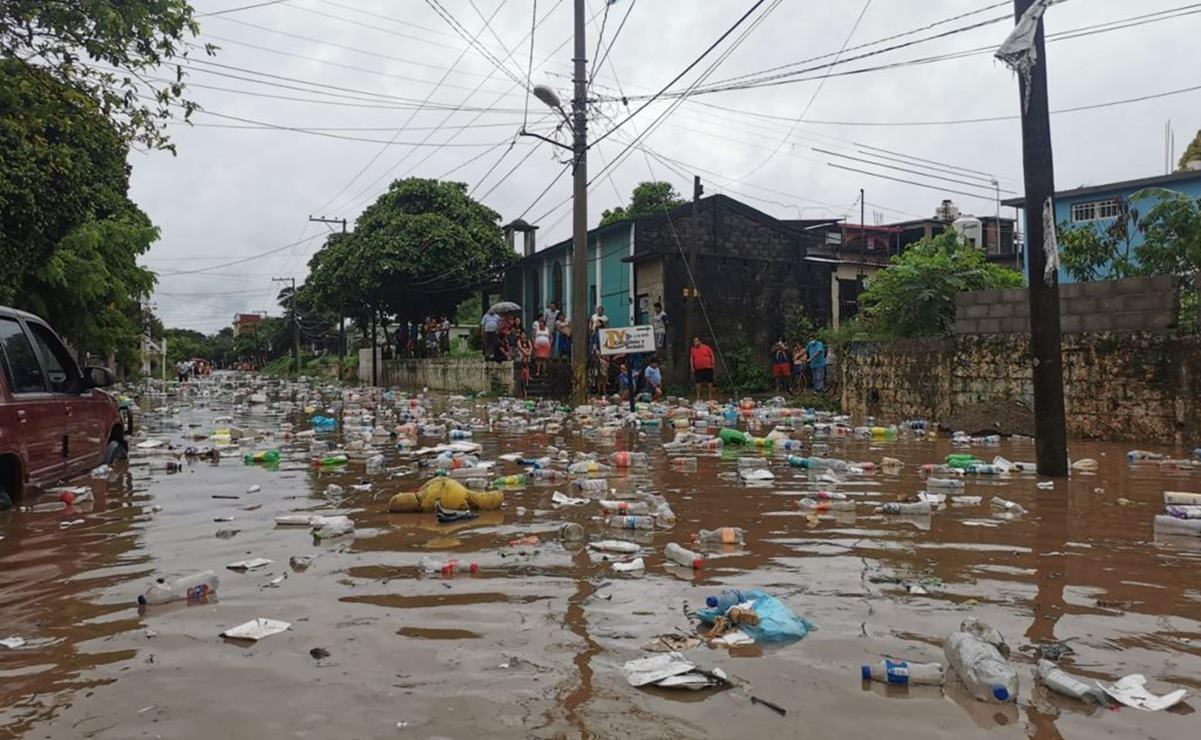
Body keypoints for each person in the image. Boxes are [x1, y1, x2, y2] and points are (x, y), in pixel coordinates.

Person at [690, 336, 715, 401]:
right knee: (698, 382)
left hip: (708, 367)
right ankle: (698, 395)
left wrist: (713, 363)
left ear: (700, 341)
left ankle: (710, 394)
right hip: (698, 368)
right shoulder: (693, 349)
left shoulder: (706, 347)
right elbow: (692, 358)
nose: (695, 342)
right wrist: (692, 367)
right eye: (694, 341)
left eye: (696, 341)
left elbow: (711, 355)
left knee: (709, 381)